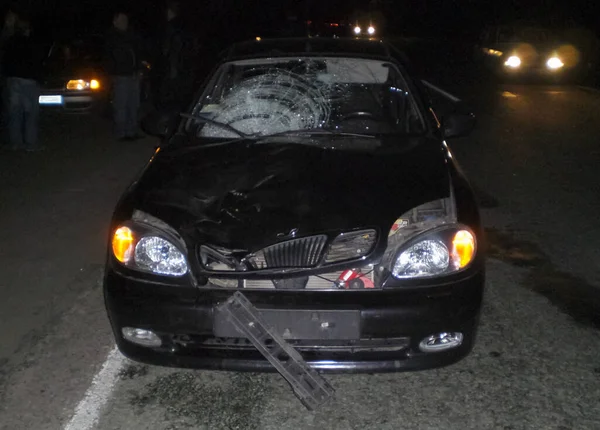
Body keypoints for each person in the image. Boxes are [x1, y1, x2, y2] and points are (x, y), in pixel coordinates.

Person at [2, 15, 44, 152]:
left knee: (15, 113)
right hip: (29, 81)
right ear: (28, 30)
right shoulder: (32, 43)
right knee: (31, 114)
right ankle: (30, 144)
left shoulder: (11, 41)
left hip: (14, 80)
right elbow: (38, 62)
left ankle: (16, 143)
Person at [105, 11, 145, 141]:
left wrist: (139, 70)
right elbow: (111, 58)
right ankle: (121, 133)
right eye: (122, 20)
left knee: (134, 104)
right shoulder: (112, 37)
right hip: (121, 76)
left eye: (126, 20)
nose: (124, 23)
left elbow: (137, 53)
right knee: (121, 105)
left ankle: (131, 131)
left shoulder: (130, 36)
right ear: (115, 21)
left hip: (133, 75)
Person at [153, 0, 198, 112]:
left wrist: (171, 67)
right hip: (185, 68)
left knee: (168, 98)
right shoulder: (187, 26)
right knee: (180, 97)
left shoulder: (171, 27)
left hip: (174, 69)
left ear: (170, 11)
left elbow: (168, 49)